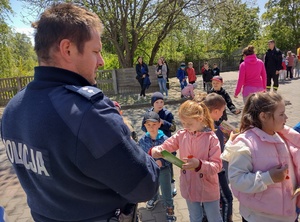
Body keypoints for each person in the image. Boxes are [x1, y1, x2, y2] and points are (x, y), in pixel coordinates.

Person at [0, 3, 160, 222]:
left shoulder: (13, 108)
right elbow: (146, 185)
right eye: (96, 51)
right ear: (67, 49)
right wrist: (124, 128)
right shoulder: (87, 113)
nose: (101, 61)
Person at [221, 92, 300, 222]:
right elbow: (236, 179)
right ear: (263, 116)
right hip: (258, 217)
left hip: (289, 215)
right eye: (281, 114)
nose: (286, 117)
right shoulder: (245, 143)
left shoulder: (284, 136)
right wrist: (268, 177)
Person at [150, 100, 223, 222]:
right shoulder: (182, 134)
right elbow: (167, 145)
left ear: (200, 119)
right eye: (183, 123)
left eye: (189, 123)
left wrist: (199, 164)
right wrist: (156, 150)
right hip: (189, 185)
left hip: (207, 186)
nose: (185, 126)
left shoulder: (211, 138)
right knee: (195, 217)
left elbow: (217, 166)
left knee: (214, 218)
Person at [194, 93, 234, 222]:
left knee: (208, 200)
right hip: (216, 172)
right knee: (227, 199)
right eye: (222, 111)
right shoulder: (213, 131)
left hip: (203, 171)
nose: (222, 115)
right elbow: (220, 153)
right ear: (215, 111)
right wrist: (231, 141)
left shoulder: (200, 126)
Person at [139, 111, 176, 221]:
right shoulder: (142, 140)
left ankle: (169, 208)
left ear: (160, 124)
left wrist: (162, 162)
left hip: (164, 170)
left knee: (166, 190)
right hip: (150, 170)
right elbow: (140, 154)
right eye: (148, 124)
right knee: (152, 186)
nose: (151, 127)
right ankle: (154, 198)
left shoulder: (165, 139)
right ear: (144, 125)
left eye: (154, 124)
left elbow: (173, 155)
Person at [141, 92, 177, 196]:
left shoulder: (167, 114)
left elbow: (173, 128)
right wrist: (149, 127)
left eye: (162, 102)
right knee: (154, 163)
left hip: (165, 142)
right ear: (153, 104)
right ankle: (155, 190)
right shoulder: (148, 113)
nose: (160, 104)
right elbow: (143, 127)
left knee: (168, 163)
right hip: (152, 142)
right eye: (157, 102)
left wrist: (163, 123)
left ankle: (172, 185)